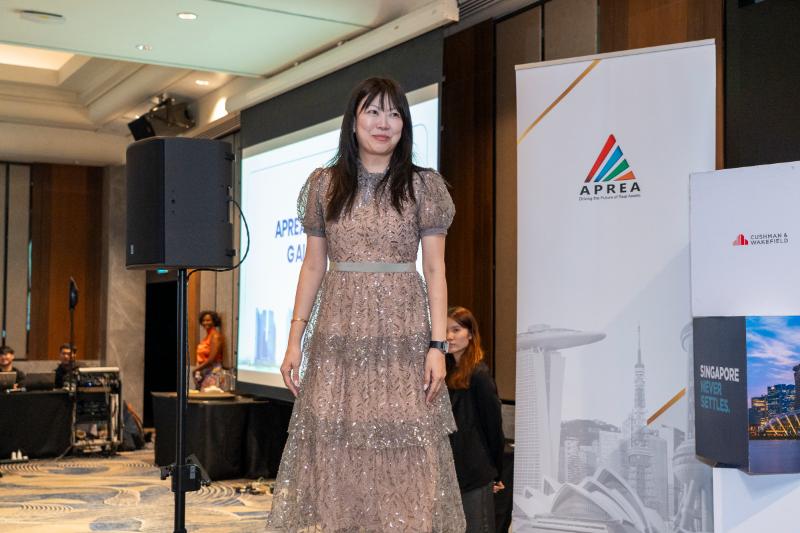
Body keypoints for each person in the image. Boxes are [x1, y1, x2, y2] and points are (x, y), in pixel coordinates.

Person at [267, 77, 465, 531]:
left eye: (394, 113)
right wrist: (295, 340)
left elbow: (435, 270)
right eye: (373, 111)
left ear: (404, 125)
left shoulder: (423, 186)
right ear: (353, 122)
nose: (384, 123)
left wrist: (437, 345)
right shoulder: (323, 185)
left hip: (403, 336)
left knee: (408, 447)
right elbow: (312, 267)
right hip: (339, 334)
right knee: (338, 447)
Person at [445, 306, 505, 533]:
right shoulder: (445, 372)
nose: (449, 336)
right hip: (452, 470)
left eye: (456, 330)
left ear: (470, 334)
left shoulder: (479, 374)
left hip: (475, 471)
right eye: (445, 330)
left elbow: (493, 427)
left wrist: (496, 472)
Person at [193, 311, 225, 390]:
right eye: (203, 320)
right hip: (204, 372)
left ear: (214, 321)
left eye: (208, 320)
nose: (205, 322)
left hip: (213, 372)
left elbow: (212, 359)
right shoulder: (207, 336)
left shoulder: (215, 336)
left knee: (208, 396)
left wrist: (196, 369)